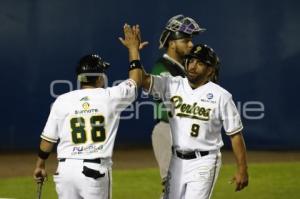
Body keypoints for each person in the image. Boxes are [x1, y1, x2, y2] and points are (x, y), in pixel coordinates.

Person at [123, 25, 249, 199]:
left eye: (199, 63)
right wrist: (134, 51)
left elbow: (235, 135)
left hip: (204, 162)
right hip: (176, 160)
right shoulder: (172, 84)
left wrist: (242, 170)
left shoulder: (221, 96)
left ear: (210, 70)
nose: (192, 65)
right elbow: (142, 79)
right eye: (190, 60)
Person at [33, 47, 143, 199]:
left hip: (65, 171)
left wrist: (40, 164)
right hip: (94, 171)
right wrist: (134, 51)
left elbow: (48, 139)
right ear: (98, 78)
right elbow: (136, 80)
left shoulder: (62, 100)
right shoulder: (111, 96)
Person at [151, 14, 206, 191]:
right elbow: (178, 99)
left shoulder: (185, 67)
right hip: (168, 130)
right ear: (172, 43)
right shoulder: (162, 67)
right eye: (186, 40)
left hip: (184, 131)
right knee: (172, 187)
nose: (191, 44)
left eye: (191, 40)